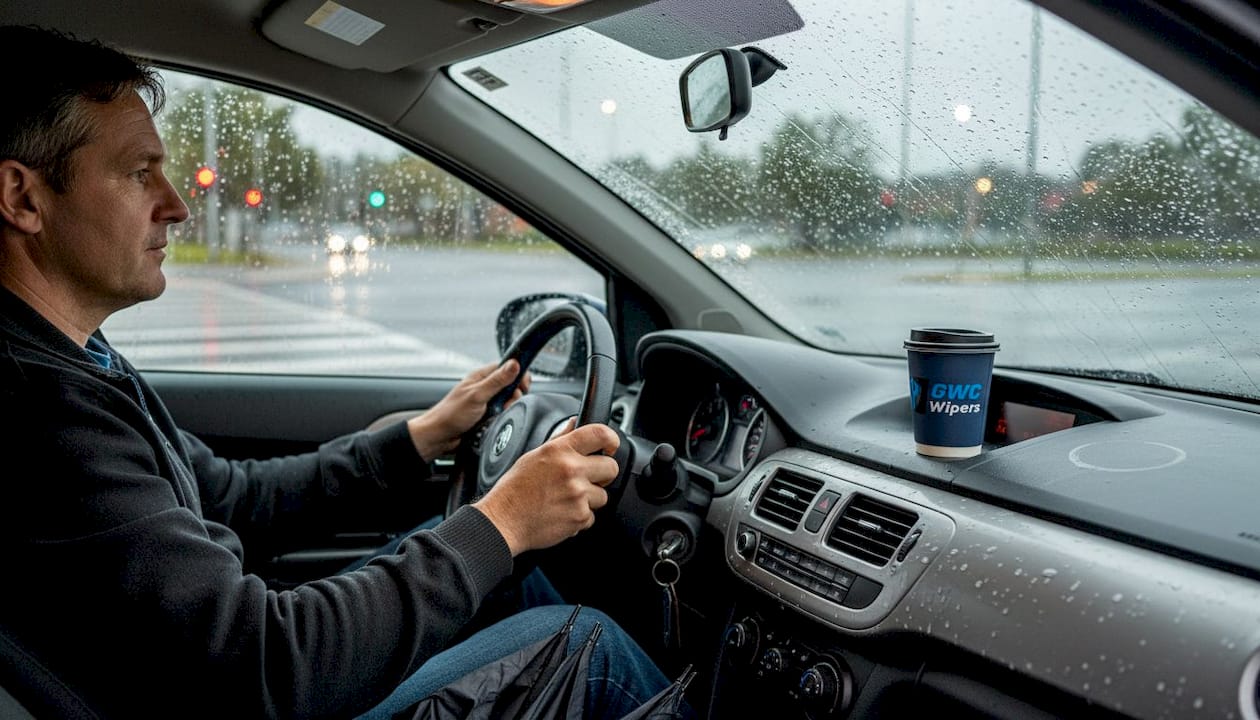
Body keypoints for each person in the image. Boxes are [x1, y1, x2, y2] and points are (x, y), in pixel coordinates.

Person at [0, 24, 684, 720]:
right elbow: (262, 666)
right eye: (140, 172)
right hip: (244, 689)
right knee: (586, 649)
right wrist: (502, 521)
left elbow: (233, 501)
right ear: (23, 198)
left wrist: (417, 438)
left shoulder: (80, 361)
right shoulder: (39, 411)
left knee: (511, 584)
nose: (176, 204)